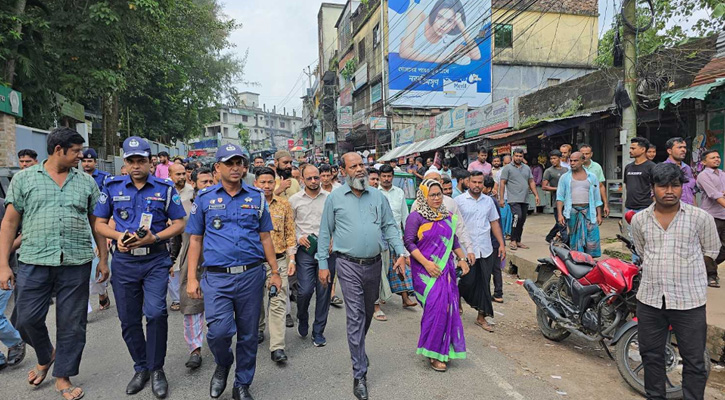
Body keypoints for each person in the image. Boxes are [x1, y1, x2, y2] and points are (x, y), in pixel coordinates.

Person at [0, 127, 106, 400]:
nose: (81, 156)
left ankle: (63, 377)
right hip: (34, 260)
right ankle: (47, 355)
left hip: (76, 260)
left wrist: (104, 258)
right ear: (58, 149)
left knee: (72, 323)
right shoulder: (24, 179)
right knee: (25, 318)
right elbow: (9, 223)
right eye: (76, 151)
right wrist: (3, 264)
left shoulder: (85, 182)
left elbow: (97, 223)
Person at [186, 144, 282, 400]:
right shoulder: (204, 199)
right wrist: (192, 278)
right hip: (217, 277)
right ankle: (223, 363)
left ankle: (242, 383)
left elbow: (265, 237)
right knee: (218, 332)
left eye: (240, 162)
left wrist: (275, 271)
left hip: (251, 275)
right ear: (217, 168)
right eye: (230, 163)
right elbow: (195, 240)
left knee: (249, 334)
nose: (236, 167)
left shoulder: (256, 197)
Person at [93, 136, 186, 399]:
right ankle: (141, 367)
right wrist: (117, 236)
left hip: (155, 259)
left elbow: (179, 223)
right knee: (129, 319)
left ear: (150, 161)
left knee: (156, 313)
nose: (136, 165)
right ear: (125, 163)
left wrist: (156, 237)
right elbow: (99, 223)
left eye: (141, 161)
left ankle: (157, 369)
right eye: (131, 161)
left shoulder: (165, 188)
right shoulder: (111, 187)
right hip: (124, 261)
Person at [317, 153, 408, 400]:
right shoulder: (334, 198)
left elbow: (390, 225)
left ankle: (358, 349)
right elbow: (325, 232)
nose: (360, 169)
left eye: (362, 165)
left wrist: (400, 251)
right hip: (347, 264)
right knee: (355, 316)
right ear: (342, 170)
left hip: (374, 265)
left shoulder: (377, 196)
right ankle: (359, 373)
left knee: (367, 313)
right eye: (354, 166)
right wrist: (323, 264)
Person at [631, 162, 719, 400]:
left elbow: (711, 251)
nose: (669, 191)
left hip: (689, 301)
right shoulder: (639, 220)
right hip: (650, 301)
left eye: (675, 185)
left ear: (682, 187)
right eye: (663, 186)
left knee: (694, 360)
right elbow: (641, 251)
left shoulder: (701, 218)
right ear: (653, 188)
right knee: (651, 356)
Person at [404, 179, 469, 372]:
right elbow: (409, 242)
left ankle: (442, 350)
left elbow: (453, 239)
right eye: (432, 195)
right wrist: (426, 263)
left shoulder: (447, 215)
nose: (436, 198)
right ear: (424, 196)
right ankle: (433, 352)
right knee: (435, 308)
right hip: (425, 272)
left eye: (439, 194)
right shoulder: (416, 217)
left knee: (448, 309)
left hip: (445, 270)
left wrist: (462, 258)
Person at [170, 167, 213, 370]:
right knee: (192, 306)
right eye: (204, 182)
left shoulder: (221, 204)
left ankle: (217, 341)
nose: (208, 186)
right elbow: (175, 237)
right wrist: (171, 261)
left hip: (216, 262)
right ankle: (194, 349)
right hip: (190, 262)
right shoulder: (183, 206)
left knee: (216, 305)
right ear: (193, 183)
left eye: (211, 181)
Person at [289, 165, 335, 347]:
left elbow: (339, 221)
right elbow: (289, 226)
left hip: (328, 250)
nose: (314, 181)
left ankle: (318, 331)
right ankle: (302, 316)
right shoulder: (294, 200)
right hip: (306, 250)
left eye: (316, 178)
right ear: (302, 179)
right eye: (310, 178)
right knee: (305, 290)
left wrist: (334, 239)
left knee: (324, 291)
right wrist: (298, 238)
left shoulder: (331, 198)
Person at [455, 171, 506, 333]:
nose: (477, 185)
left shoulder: (489, 201)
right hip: (465, 250)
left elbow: (494, 223)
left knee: (485, 283)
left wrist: (501, 244)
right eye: (474, 182)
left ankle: (481, 317)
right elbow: (454, 226)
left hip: (485, 249)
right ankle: (458, 300)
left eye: (480, 182)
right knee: (466, 281)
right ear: (468, 182)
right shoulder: (459, 201)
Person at [254, 167, 296, 362]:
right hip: (253, 263)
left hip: (278, 262)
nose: (266, 186)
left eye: (270, 182)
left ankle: (277, 346)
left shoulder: (284, 205)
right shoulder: (249, 205)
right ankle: (259, 328)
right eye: (262, 182)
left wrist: (292, 259)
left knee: (278, 302)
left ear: (275, 184)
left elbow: (290, 234)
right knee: (256, 303)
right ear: (255, 184)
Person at [379, 165, 417, 309]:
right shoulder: (375, 193)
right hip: (380, 238)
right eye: (384, 176)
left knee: (401, 268)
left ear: (392, 177)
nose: (387, 179)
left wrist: (407, 237)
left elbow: (405, 217)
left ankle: (405, 298)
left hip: (397, 237)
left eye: (389, 176)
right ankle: (380, 297)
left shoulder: (400, 192)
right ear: (380, 176)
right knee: (382, 268)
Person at [80, 148, 113, 312]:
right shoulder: (76, 179)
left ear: (95, 162)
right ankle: (83, 306)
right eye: (84, 161)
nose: (86, 164)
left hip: (99, 226)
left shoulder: (105, 179)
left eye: (89, 161)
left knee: (97, 262)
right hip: (80, 226)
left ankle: (102, 293)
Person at [399, 0, 481, 63]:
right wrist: (440, 59)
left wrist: (461, 25)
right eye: (439, 17)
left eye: (449, 21)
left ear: (453, 25)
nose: (443, 24)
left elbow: (476, 56)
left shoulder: (449, 42)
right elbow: (404, 52)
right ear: (434, 14)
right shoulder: (418, 15)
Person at [555, 152, 603, 257]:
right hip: (572, 212)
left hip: (589, 211)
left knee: (592, 237)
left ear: (582, 161)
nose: (572, 163)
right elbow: (560, 197)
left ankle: (591, 261)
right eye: (570, 161)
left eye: (575, 160)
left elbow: (597, 197)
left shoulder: (592, 177)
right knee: (575, 237)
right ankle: (578, 260)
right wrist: (560, 214)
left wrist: (599, 214)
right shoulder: (565, 177)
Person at [0, 199, 25, 371]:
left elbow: (23, 233)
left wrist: (3, 252)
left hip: (3, 269)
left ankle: (15, 341)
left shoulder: (3, 206)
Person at [499, 149, 540, 250]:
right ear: (513, 156)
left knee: (522, 220)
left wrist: (536, 195)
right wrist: (501, 199)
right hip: (513, 198)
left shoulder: (526, 168)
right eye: (516, 156)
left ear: (523, 157)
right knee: (517, 217)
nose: (518, 158)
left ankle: (518, 241)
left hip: (525, 198)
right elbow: (502, 183)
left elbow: (531, 182)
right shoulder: (507, 168)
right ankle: (513, 240)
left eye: (520, 156)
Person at [696, 149, 725, 288]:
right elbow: (715, 194)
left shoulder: (723, 174)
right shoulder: (703, 176)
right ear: (704, 161)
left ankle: (700, 266)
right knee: (711, 247)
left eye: (718, 157)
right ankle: (711, 275)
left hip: (723, 215)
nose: (716, 159)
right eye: (713, 157)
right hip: (711, 216)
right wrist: (721, 194)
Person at [167, 164, 193, 312]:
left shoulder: (191, 192)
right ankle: (176, 298)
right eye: (178, 174)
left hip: (187, 232)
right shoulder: (165, 190)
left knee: (185, 262)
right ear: (170, 174)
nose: (182, 177)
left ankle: (186, 294)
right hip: (169, 233)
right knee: (172, 264)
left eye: (183, 174)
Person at [482, 176, 505, 303]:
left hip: (493, 239)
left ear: (489, 188)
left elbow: (495, 222)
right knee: (494, 268)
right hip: (492, 239)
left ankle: (497, 293)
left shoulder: (490, 201)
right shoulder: (490, 200)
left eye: (483, 186)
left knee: (494, 268)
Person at [624, 137, 656, 214]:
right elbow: (626, 185)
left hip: (645, 207)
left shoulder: (652, 167)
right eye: (630, 148)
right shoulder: (628, 167)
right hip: (629, 208)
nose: (630, 151)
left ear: (643, 150)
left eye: (633, 148)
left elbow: (656, 187)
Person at [542, 150, 568, 243]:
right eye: (551, 159)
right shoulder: (548, 171)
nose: (552, 160)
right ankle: (566, 241)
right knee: (561, 223)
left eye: (554, 158)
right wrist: (557, 189)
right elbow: (544, 186)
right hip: (556, 200)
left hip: (567, 200)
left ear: (560, 159)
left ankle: (549, 237)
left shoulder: (566, 170)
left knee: (562, 221)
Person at [664, 137, 696, 206]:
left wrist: (696, 209)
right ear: (669, 151)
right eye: (679, 147)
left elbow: (692, 192)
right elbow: (654, 194)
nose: (683, 150)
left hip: (689, 210)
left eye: (684, 147)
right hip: (671, 210)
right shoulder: (663, 168)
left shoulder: (687, 168)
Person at [579, 143, 609, 218]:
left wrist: (605, 204)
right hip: (578, 202)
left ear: (591, 154)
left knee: (592, 224)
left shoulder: (597, 167)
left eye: (587, 153)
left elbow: (601, 186)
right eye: (583, 154)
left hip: (593, 202)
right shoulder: (575, 166)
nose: (585, 156)